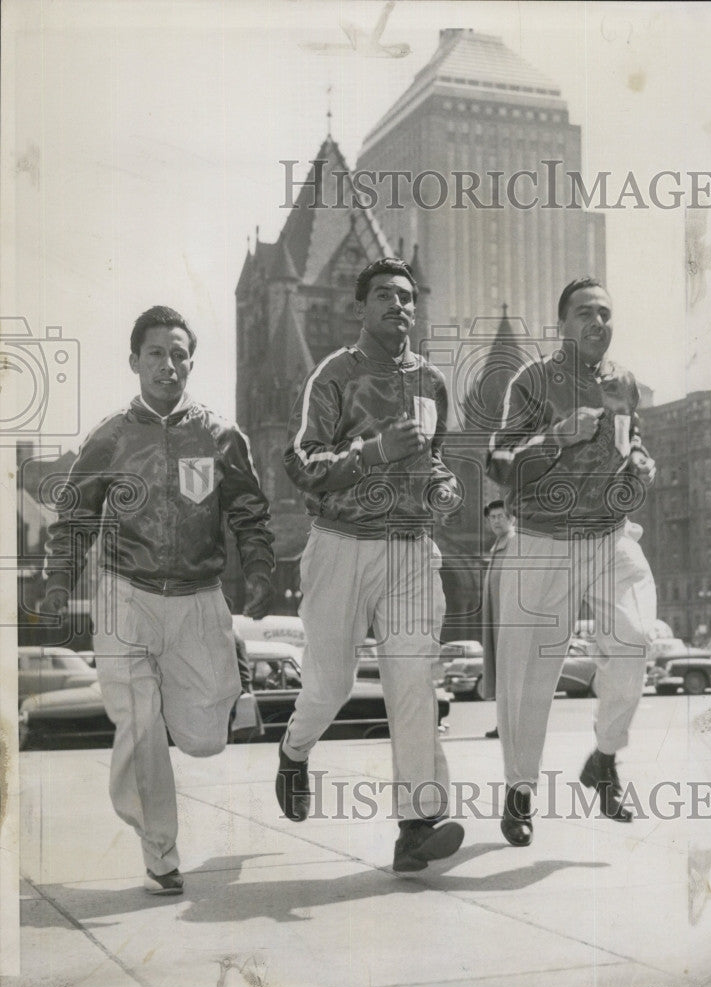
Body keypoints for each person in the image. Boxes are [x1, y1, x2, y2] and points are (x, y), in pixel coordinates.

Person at [41, 305, 275, 894]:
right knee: (140, 726)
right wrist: (57, 582)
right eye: (156, 354)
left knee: (203, 738)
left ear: (190, 361)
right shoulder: (110, 438)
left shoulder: (221, 435)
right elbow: (73, 521)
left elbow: (248, 511)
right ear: (134, 362)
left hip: (199, 598)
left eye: (178, 354)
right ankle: (160, 853)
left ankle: (231, 690)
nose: (168, 366)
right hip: (126, 596)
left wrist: (261, 568)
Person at [279, 257, 465, 873]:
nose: (399, 305)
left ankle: (416, 827)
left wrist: (442, 487)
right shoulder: (333, 375)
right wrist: (373, 451)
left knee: (413, 684)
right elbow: (304, 465)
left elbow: (433, 459)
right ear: (359, 309)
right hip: (342, 543)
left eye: (408, 296)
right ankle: (295, 751)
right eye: (384, 295)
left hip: (411, 547)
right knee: (330, 684)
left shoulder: (433, 383)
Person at [486, 277, 657, 846]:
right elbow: (499, 461)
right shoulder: (533, 381)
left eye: (606, 313)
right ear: (562, 324)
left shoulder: (625, 383)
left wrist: (640, 468)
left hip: (608, 535)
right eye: (586, 313)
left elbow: (633, 449)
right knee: (530, 675)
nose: (599, 323)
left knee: (635, 639)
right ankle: (519, 792)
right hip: (543, 539)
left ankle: (603, 760)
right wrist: (555, 438)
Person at [479, 499, 516, 739]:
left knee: (511, 672)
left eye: (500, 516)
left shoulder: (515, 543)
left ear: (511, 518)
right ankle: (503, 723)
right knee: (501, 671)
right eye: (492, 517)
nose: (495, 521)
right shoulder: (498, 544)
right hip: (496, 619)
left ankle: (512, 724)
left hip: (509, 620)